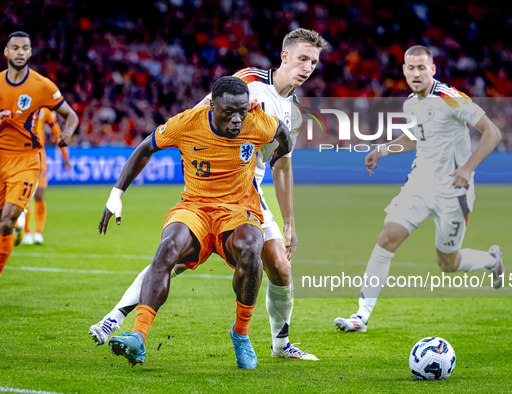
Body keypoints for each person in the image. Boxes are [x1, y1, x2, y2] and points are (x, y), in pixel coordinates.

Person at [90, 28, 326, 360]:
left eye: (314, 62)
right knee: (172, 258)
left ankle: (280, 345)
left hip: (248, 193)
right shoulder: (250, 80)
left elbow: (282, 167)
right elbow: (204, 111)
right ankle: (114, 319)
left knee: (281, 270)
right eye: (303, 58)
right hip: (210, 188)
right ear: (285, 56)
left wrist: (290, 223)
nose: (308, 67)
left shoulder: (295, 113)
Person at [99, 76, 293, 369]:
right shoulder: (187, 123)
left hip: (239, 209)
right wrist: (117, 194)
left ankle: (241, 333)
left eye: (242, 111)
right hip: (195, 207)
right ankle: (138, 337)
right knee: (167, 248)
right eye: (229, 112)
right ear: (212, 106)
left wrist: (281, 154)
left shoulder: (257, 121)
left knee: (252, 247)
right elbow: (145, 148)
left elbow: (282, 131)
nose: (238, 120)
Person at [334, 46, 504, 333]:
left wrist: (467, 169)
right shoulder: (410, 103)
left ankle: (491, 260)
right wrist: (382, 150)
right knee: (387, 239)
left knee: (448, 263)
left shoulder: (450, 98)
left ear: (432, 69)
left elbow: (493, 132)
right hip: (420, 184)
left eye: (421, 68)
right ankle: (360, 316)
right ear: (403, 70)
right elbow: (415, 138)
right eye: (410, 68)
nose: (415, 73)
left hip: (453, 191)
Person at [0, 31, 78, 275]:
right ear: (6, 52)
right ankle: (16, 228)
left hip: (27, 161)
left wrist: (68, 133)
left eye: (25, 48)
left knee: (6, 218)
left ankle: (28, 231)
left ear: (31, 52)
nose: (20, 52)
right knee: (3, 223)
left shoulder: (42, 86)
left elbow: (71, 115)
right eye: (15, 48)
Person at [20, 108, 70, 245]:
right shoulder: (22, 105)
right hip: (21, 156)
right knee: (24, 195)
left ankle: (38, 233)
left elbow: (56, 133)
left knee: (39, 194)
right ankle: (27, 231)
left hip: (39, 157)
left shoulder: (45, 110)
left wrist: (65, 155)